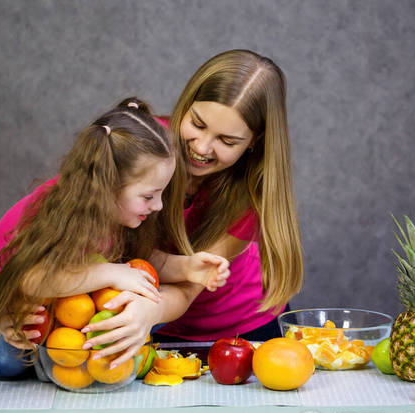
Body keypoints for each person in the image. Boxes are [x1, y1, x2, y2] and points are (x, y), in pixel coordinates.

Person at [0, 98, 229, 378]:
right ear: (109, 186)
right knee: (8, 359)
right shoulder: (59, 210)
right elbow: (33, 279)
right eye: (149, 196)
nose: (159, 206)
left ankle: (67, 349)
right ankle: (39, 341)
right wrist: (107, 272)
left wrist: (187, 267)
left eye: (161, 193)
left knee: (139, 308)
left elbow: (146, 258)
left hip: (60, 295)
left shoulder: (123, 214)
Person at [82, 50, 304, 366]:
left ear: (255, 141)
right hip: (151, 320)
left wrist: (152, 311)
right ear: (186, 105)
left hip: (244, 331)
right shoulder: (145, 146)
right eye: (197, 124)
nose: (201, 148)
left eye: (227, 141)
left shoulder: (251, 197)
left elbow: (189, 287)